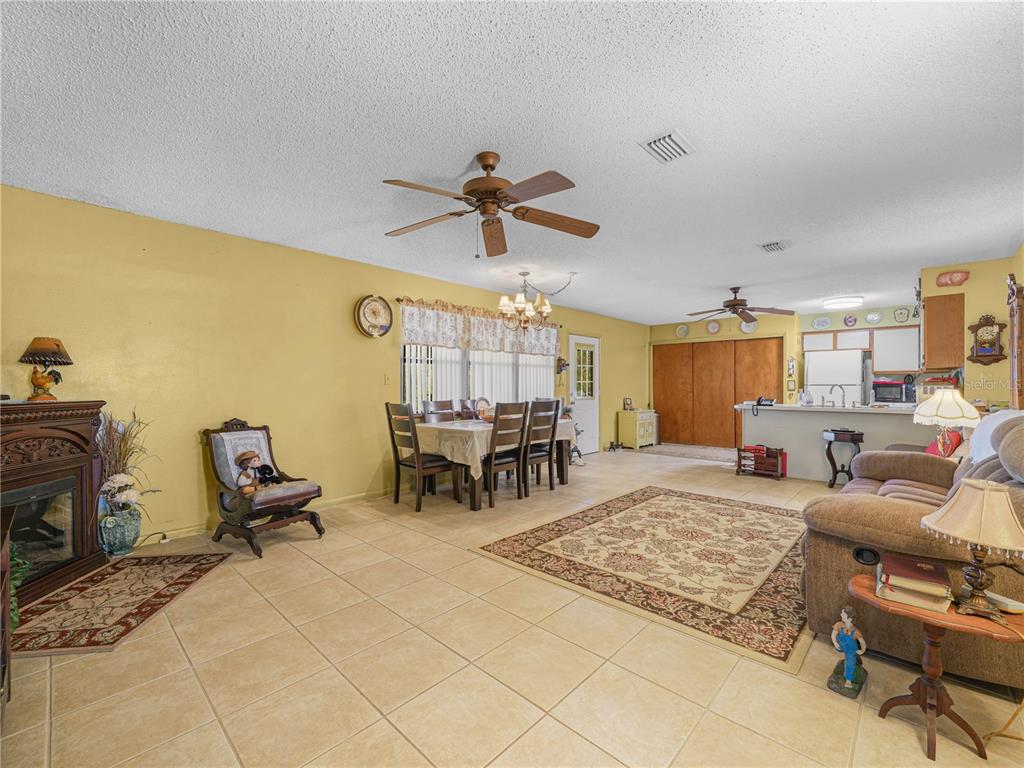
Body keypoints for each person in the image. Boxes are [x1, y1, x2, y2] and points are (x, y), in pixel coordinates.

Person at [831, 605, 867, 687]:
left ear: (850, 619)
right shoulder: (839, 625)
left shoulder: (855, 631)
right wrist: (835, 643)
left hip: (851, 650)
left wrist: (862, 650)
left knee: (850, 663)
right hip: (842, 646)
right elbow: (833, 634)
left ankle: (848, 681)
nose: (840, 615)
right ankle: (847, 667)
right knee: (847, 660)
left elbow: (862, 642)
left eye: (843, 614)